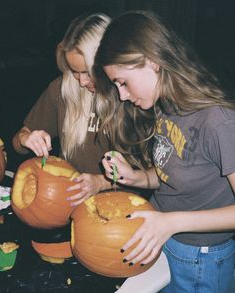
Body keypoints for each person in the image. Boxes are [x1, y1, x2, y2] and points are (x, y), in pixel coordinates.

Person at [94, 10, 235, 293]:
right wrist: (135, 177)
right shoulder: (165, 106)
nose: (122, 96)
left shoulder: (218, 120)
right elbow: (171, 175)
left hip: (201, 259)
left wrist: (170, 223)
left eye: (123, 82)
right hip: (162, 238)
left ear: (152, 61)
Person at [12, 13, 112, 206]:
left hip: (118, 207)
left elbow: (148, 174)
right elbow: (17, 142)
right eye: (75, 71)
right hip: (69, 203)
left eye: (88, 72)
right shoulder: (61, 89)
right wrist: (26, 138)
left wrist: (101, 182)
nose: (82, 82)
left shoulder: (128, 93)